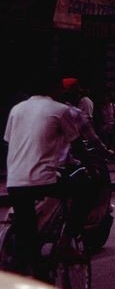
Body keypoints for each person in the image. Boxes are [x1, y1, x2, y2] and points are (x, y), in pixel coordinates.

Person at [3, 74, 80, 276]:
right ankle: (65, 242)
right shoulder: (60, 109)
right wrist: (90, 164)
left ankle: (31, 270)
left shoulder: (16, 110)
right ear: (54, 89)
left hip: (15, 180)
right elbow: (77, 144)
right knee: (82, 189)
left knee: (27, 234)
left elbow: (10, 140)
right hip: (44, 180)